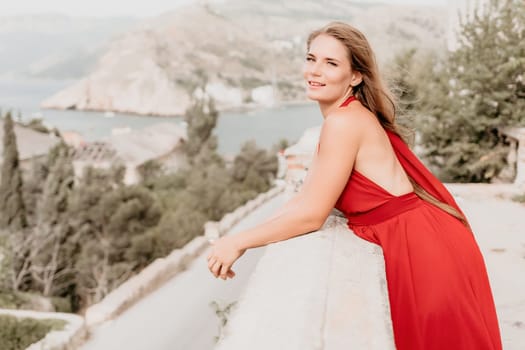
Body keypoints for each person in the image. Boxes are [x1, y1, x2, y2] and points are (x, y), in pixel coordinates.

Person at [206, 22, 502, 350]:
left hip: (421, 249)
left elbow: (311, 215)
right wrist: (237, 238)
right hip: (419, 238)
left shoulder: (344, 122)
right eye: (311, 59)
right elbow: (306, 198)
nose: (315, 71)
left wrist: (240, 242)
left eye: (331, 63)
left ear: (355, 76)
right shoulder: (344, 117)